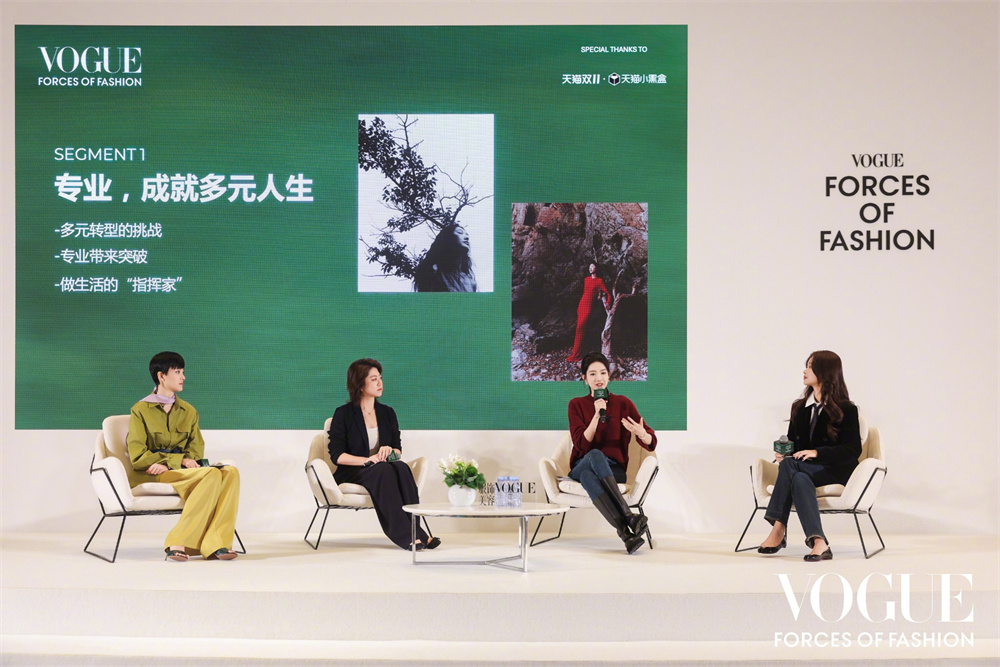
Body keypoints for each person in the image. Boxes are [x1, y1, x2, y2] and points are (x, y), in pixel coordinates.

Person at [126, 352, 241, 562]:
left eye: (183, 372)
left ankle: (217, 543)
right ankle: (178, 542)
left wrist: (178, 463)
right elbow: (138, 457)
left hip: (181, 472)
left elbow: (195, 451)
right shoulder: (140, 410)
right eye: (177, 372)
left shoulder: (189, 411)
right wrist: (173, 462)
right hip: (151, 473)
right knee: (211, 475)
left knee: (230, 472)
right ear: (161, 376)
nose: (183, 377)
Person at [758, 350, 862, 561]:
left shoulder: (846, 409)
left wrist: (816, 452)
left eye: (811, 366)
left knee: (791, 468)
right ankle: (819, 542)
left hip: (834, 471)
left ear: (826, 371)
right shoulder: (799, 408)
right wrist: (784, 455)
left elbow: (852, 450)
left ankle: (778, 527)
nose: (805, 371)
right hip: (804, 470)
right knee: (798, 477)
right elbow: (793, 445)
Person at [327, 358, 440, 550]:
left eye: (380, 378)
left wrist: (390, 452)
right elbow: (337, 456)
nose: (380, 383)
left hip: (382, 467)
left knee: (401, 467)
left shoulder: (388, 413)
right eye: (373, 379)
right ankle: (405, 536)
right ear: (359, 384)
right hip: (354, 470)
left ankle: (417, 531)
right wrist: (367, 460)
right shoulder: (343, 414)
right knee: (383, 471)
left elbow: (397, 450)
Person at [567, 351, 656, 554]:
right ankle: (628, 515)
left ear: (609, 375)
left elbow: (651, 443)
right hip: (581, 464)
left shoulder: (623, 403)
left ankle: (626, 536)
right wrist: (596, 417)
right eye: (592, 374)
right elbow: (581, 445)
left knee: (589, 477)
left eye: (603, 372)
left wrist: (641, 433)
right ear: (584, 378)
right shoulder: (576, 405)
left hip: (613, 470)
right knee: (594, 456)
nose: (598, 378)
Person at [413, 223, 477, 292]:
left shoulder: (471, 282)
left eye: (467, 235)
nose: (466, 237)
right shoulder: (435, 271)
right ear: (449, 238)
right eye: (460, 233)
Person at [567, 263, 611, 363]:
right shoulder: (586, 279)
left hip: (588, 307)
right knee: (579, 329)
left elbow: (607, 293)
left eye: (592, 267)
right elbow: (585, 293)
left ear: (596, 268)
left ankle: (577, 354)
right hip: (582, 304)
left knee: (581, 328)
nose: (590, 269)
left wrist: (607, 302)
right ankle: (578, 353)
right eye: (589, 267)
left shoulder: (599, 281)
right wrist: (579, 307)